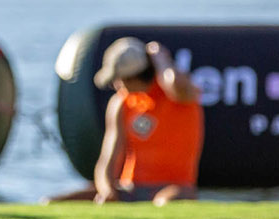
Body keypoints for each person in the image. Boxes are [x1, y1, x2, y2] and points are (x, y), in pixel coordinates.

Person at [47, 38, 203, 206]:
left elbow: (177, 85)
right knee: (52, 202)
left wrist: (161, 59)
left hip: (173, 187)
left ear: (130, 78)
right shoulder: (121, 103)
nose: (116, 85)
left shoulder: (179, 96)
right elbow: (107, 159)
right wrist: (107, 191)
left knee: (164, 202)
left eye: (118, 79)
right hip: (130, 188)